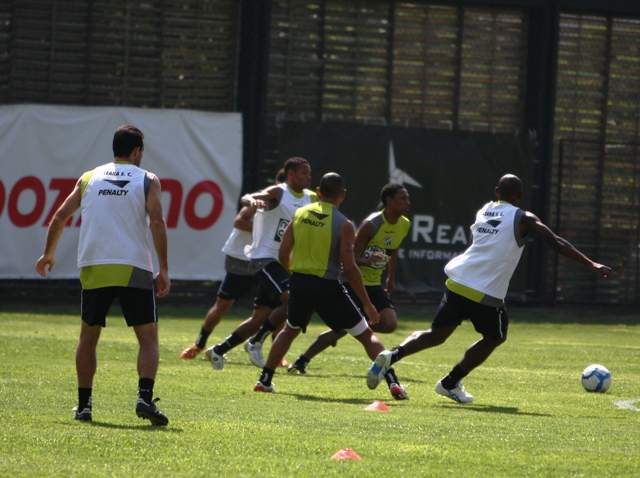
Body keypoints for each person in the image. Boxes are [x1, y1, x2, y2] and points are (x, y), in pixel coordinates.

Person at [366, 174, 613, 403]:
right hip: (485, 291)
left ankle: (392, 356)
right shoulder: (524, 217)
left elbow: (475, 242)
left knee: (436, 334)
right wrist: (590, 263)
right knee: (495, 336)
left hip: (458, 280)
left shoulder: (485, 210)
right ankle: (450, 383)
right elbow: (556, 242)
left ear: (496, 191)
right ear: (520, 196)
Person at [35, 125, 171, 425]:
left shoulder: (89, 177)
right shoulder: (147, 179)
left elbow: (59, 217)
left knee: (88, 337)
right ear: (136, 151)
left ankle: (84, 406)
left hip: (94, 264)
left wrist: (49, 253)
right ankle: (144, 398)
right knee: (148, 339)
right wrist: (163, 268)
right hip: (134, 265)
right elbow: (158, 223)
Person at [253, 172, 406, 401]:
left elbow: (283, 253)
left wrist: (294, 274)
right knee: (365, 334)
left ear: (319, 192)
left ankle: (264, 380)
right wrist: (367, 303)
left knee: (290, 329)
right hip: (328, 286)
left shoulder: (299, 214)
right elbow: (351, 268)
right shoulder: (343, 223)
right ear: (342, 195)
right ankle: (393, 383)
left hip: (300, 283)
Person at [204, 157, 316, 370]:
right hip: (264, 259)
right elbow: (249, 197)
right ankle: (256, 341)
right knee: (292, 299)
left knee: (259, 318)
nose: (309, 177)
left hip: (285, 262)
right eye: (304, 173)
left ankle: (218, 350)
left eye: (310, 173)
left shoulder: (310, 198)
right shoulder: (279, 193)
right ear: (291, 174)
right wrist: (252, 201)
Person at [179, 169, 287, 361]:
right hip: (241, 259)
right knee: (222, 306)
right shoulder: (264, 200)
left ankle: (275, 354)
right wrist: (264, 231)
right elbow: (239, 221)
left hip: (268, 262)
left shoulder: (293, 205)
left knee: (278, 305)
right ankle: (200, 343)